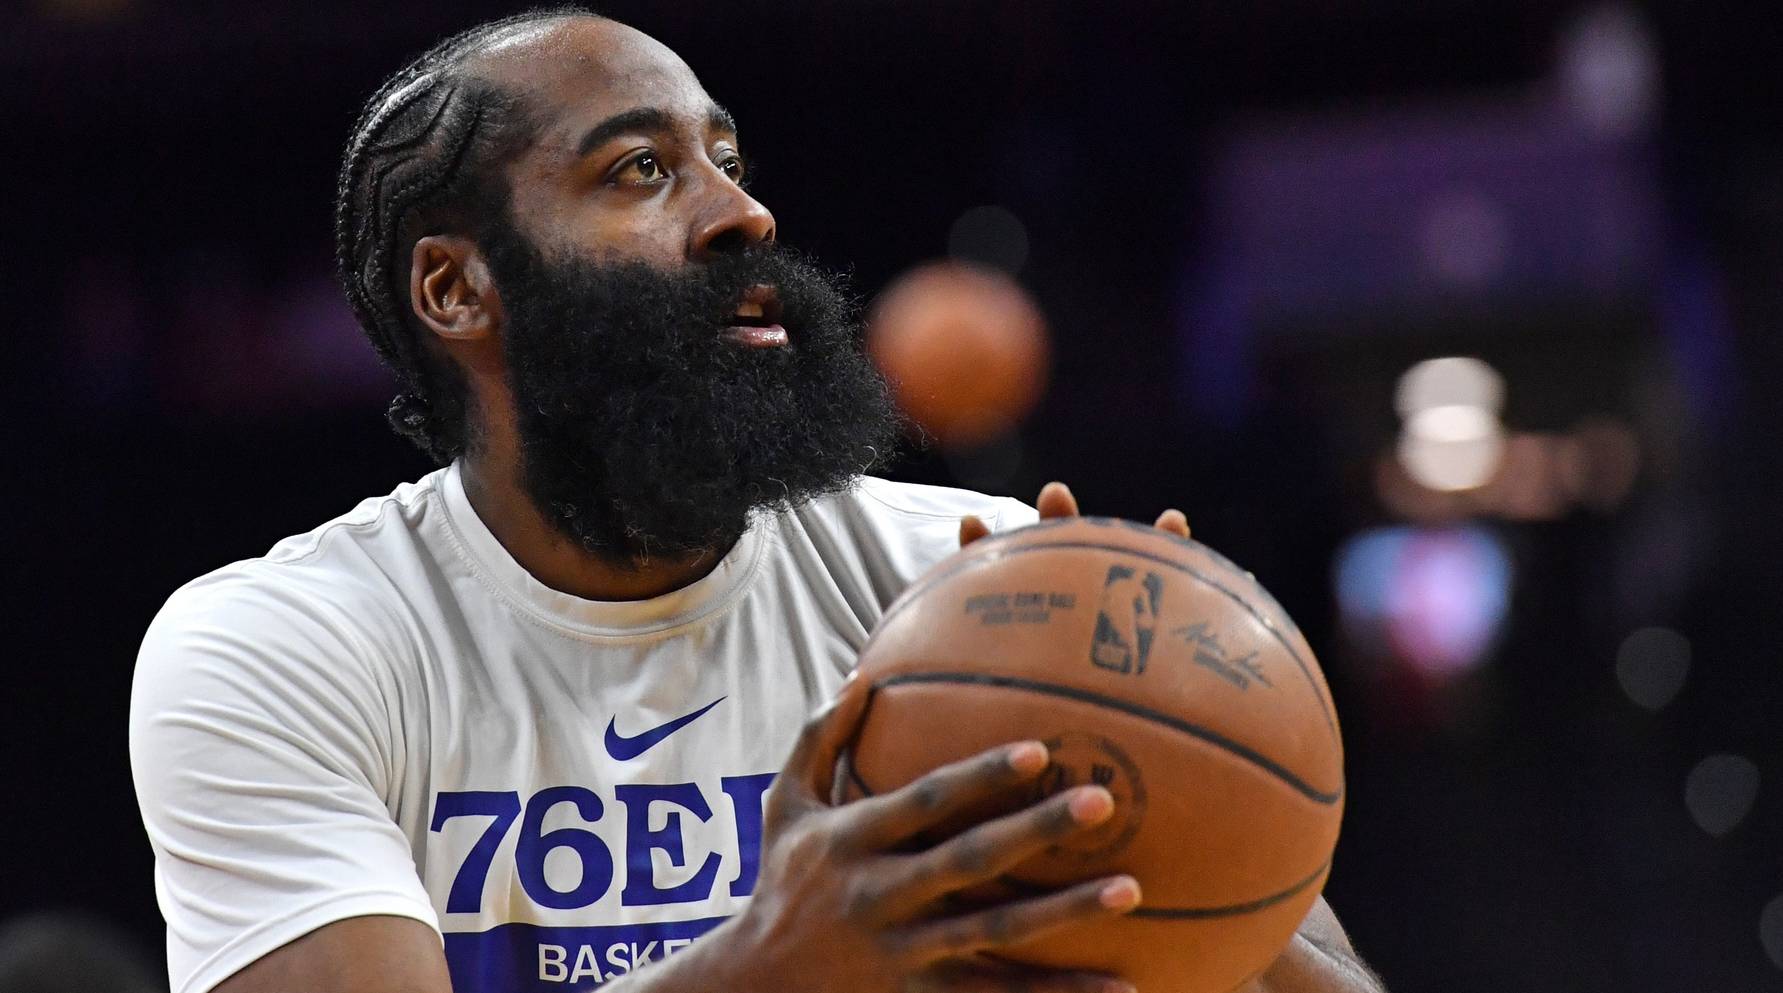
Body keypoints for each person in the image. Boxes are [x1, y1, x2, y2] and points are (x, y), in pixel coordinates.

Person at [130, 9, 1385, 993]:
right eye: (638, 169)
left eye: (726, 160)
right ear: (457, 292)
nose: (743, 213)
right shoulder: (281, 648)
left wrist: (1183, 796)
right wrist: (778, 968)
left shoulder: (976, 591)